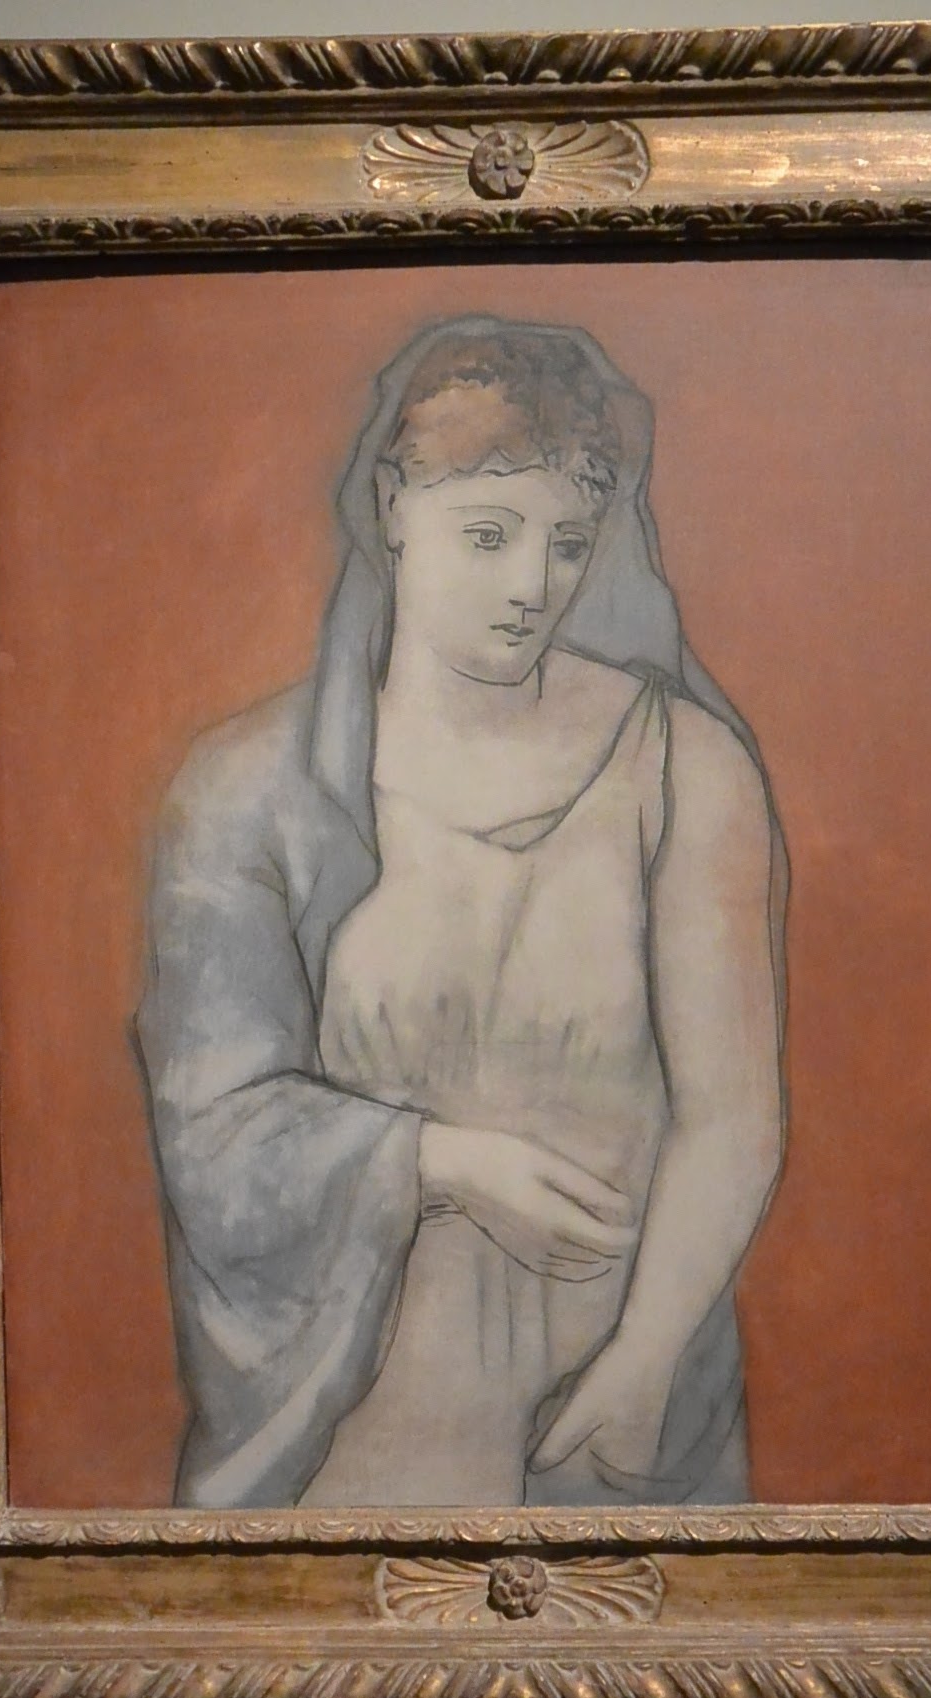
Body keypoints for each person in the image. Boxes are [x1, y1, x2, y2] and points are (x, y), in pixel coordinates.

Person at [136, 315, 787, 1510]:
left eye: (568, 542)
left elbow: (731, 1116)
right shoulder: (247, 789)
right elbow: (213, 1129)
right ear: (394, 506)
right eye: (488, 535)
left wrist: (642, 1366)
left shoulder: (686, 770)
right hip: (351, 1439)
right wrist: (441, 1161)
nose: (532, 586)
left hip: (617, 1426)